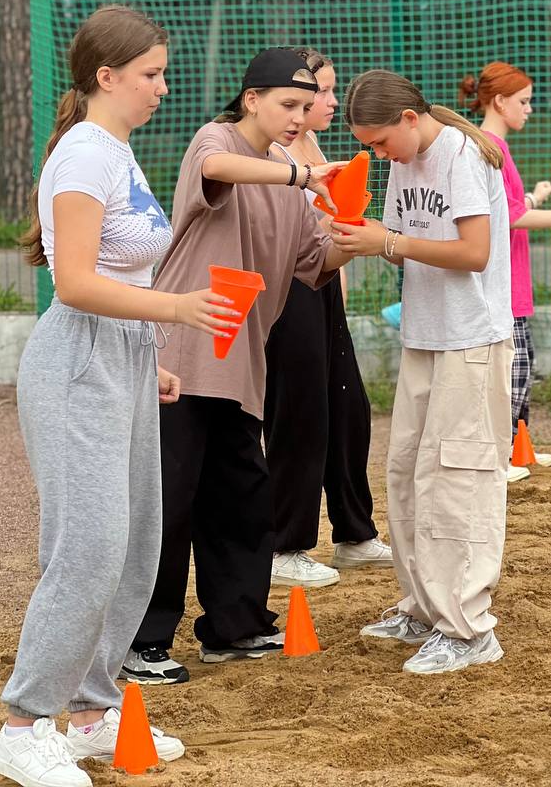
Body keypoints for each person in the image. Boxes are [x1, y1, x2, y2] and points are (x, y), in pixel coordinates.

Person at [0, 5, 239, 787]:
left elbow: (119, 270)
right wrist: (176, 311)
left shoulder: (116, 151)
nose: (163, 88)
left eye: (163, 72)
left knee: (134, 548)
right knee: (88, 549)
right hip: (75, 360)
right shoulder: (84, 156)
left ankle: (94, 714)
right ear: (107, 77)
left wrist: (148, 357)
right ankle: (24, 727)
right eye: (151, 74)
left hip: (122, 358)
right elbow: (75, 283)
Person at [125, 48, 355, 676]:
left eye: (307, 108)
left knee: (243, 498)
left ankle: (234, 625)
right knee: (170, 501)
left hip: (240, 364)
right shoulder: (217, 140)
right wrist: (301, 178)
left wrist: (360, 237)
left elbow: (314, 262)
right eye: (288, 105)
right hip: (182, 354)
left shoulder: (287, 176)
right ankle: (141, 640)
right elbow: (222, 167)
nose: (298, 119)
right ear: (252, 99)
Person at [330, 69, 513, 675]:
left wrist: (388, 243)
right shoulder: (404, 158)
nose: (375, 154)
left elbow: (474, 253)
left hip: (471, 337)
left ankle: (467, 627)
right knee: (407, 468)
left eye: (379, 141)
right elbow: (404, 234)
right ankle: (423, 607)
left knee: (457, 478)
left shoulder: (461, 155)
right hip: (426, 332)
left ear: (410, 119)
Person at [265, 48, 392, 590]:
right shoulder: (272, 152)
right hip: (286, 292)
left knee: (348, 409)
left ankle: (354, 534)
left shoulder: (312, 146)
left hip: (322, 292)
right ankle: (284, 545)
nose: (333, 101)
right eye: (324, 91)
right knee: (300, 416)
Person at [460, 62, 551, 481]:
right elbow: (507, 216)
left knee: (522, 364)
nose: (529, 110)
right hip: (504, 284)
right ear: (500, 101)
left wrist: (532, 198)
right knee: (516, 367)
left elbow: (507, 207)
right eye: (524, 102)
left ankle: (517, 448)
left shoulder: (493, 146)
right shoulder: (490, 145)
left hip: (514, 281)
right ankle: (497, 455)